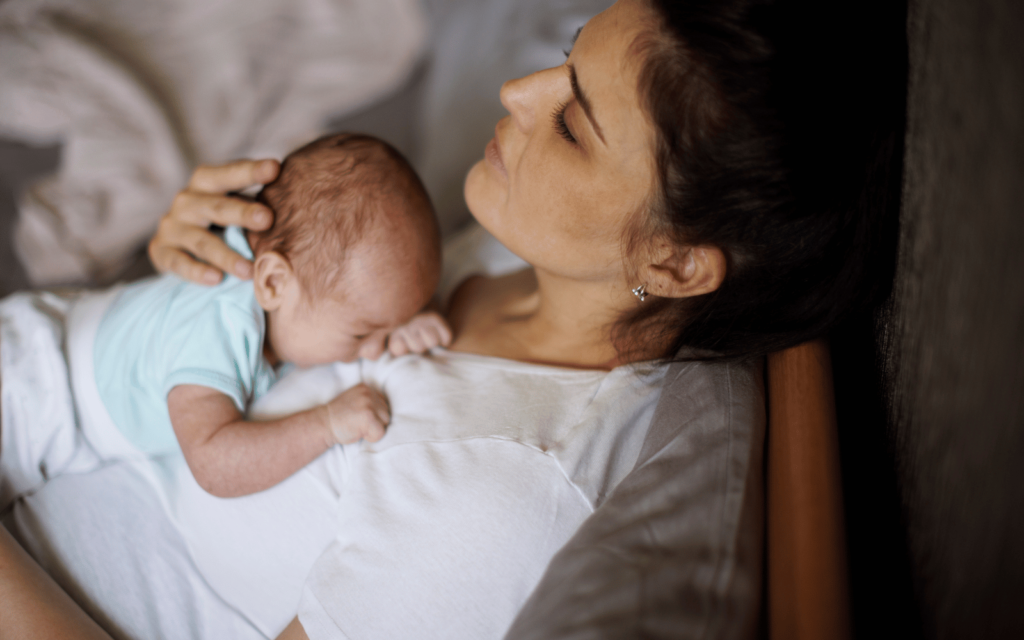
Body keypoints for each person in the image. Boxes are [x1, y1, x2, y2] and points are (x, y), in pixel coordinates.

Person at [0, 1, 886, 638]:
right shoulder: (523, 262)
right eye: (568, 56)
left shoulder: (500, 501)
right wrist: (201, 273)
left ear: (674, 264)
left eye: (573, 123)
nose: (517, 92)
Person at [85, 132, 448, 498]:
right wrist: (327, 423)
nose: (373, 351)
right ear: (274, 283)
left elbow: (371, 294)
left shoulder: (300, 283)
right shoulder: (220, 324)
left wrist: (402, 322)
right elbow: (213, 463)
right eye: (360, 335)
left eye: (383, 334)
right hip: (49, 390)